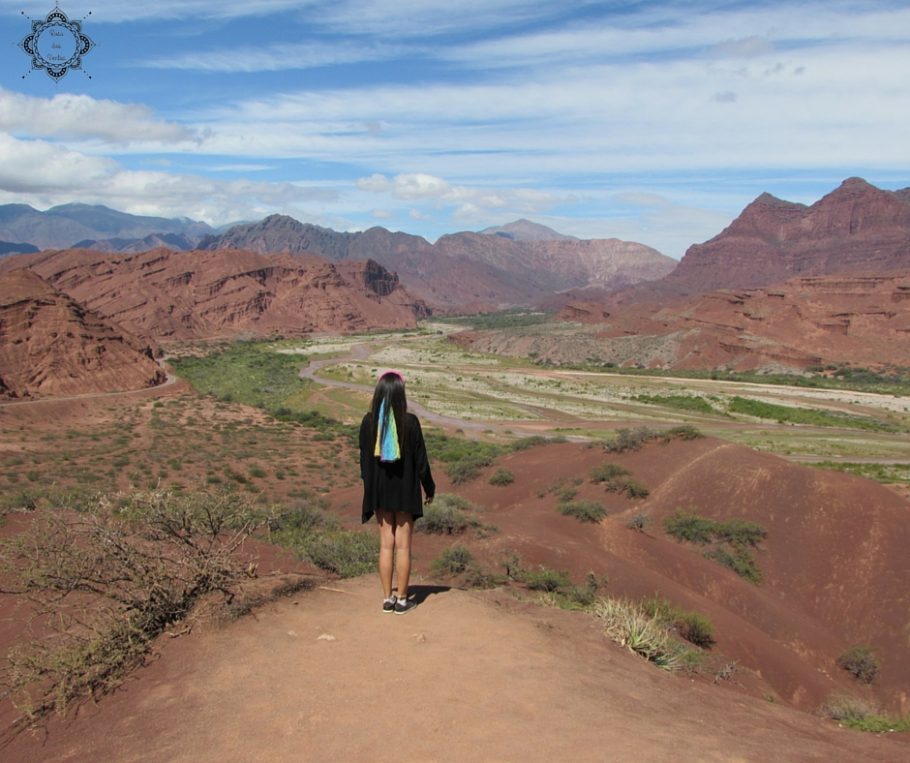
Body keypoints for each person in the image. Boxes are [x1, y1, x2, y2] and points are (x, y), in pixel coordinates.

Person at [359, 370, 435, 614]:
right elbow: (422, 462)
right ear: (401, 394)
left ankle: (386, 599)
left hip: (379, 492)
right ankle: (402, 600)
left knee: (385, 545)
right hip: (404, 491)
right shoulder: (410, 422)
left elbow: (363, 462)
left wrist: (369, 487)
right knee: (403, 546)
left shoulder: (368, 422)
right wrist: (429, 488)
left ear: (378, 392)